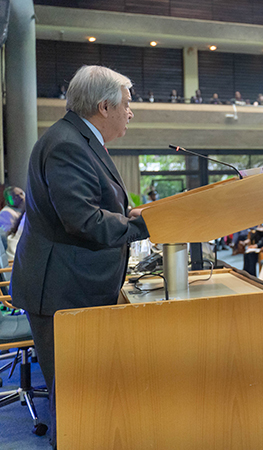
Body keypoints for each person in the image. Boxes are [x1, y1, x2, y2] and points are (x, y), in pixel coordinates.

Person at [11, 65, 150, 446]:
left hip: (71, 284)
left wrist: (127, 216)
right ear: (104, 107)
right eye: (127, 103)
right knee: (72, 398)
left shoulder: (78, 137)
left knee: (79, 393)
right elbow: (83, 220)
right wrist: (149, 225)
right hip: (62, 289)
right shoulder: (68, 143)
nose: (131, 111)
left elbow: (86, 207)